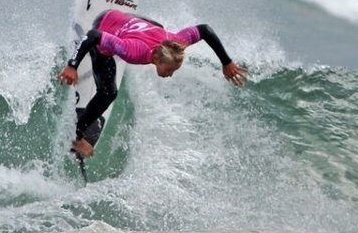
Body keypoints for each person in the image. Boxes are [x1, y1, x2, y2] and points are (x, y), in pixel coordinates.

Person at [58, 10, 248, 158]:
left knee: (159, 27)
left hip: (126, 19)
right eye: (169, 70)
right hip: (105, 24)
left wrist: (226, 62)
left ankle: (131, 27)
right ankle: (79, 135)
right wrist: (72, 66)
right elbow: (93, 35)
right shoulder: (133, 51)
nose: (170, 75)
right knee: (108, 93)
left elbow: (205, 30)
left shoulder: (176, 42)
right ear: (157, 59)